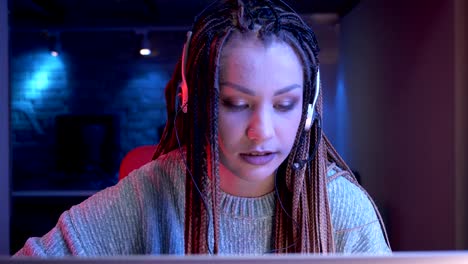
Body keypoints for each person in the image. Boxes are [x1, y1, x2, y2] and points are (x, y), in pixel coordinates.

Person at [15, 0, 391, 256]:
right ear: (193, 101)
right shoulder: (149, 195)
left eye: (284, 105)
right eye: (236, 104)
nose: (261, 130)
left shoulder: (342, 209)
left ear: (308, 110)